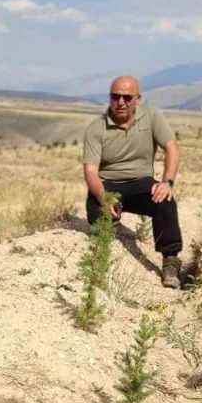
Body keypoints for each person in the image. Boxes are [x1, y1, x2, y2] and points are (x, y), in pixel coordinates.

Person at [81, 75, 183, 287]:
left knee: (165, 202)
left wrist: (167, 183)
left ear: (137, 99)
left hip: (140, 182)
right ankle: (103, 267)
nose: (120, 102)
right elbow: (90, 171)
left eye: (127, 98)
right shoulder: (95, 128)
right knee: (98, 216)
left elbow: (171, 146)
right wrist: (104, 198)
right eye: (115, 96)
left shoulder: (152, 116)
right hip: (108, 184)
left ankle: (170, 261)